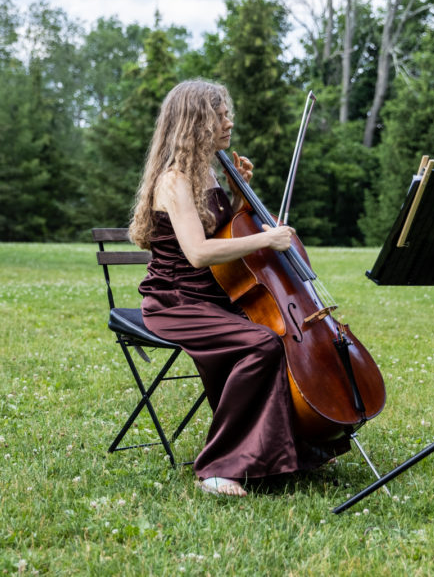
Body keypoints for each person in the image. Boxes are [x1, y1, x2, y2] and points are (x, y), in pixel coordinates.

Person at [128, 80, 344, 497]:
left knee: (279, 339)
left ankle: (289, 450)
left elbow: (227, 233)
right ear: (196, 122)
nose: (230, 122)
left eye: (227, 113)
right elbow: (199, 253)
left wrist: (239, 197)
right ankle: (218, 466)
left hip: (214, 297)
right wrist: (269, 238)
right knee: (260, 344)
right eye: (220, 115)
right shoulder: (173, 181)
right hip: (177, 301)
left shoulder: (209, 171)